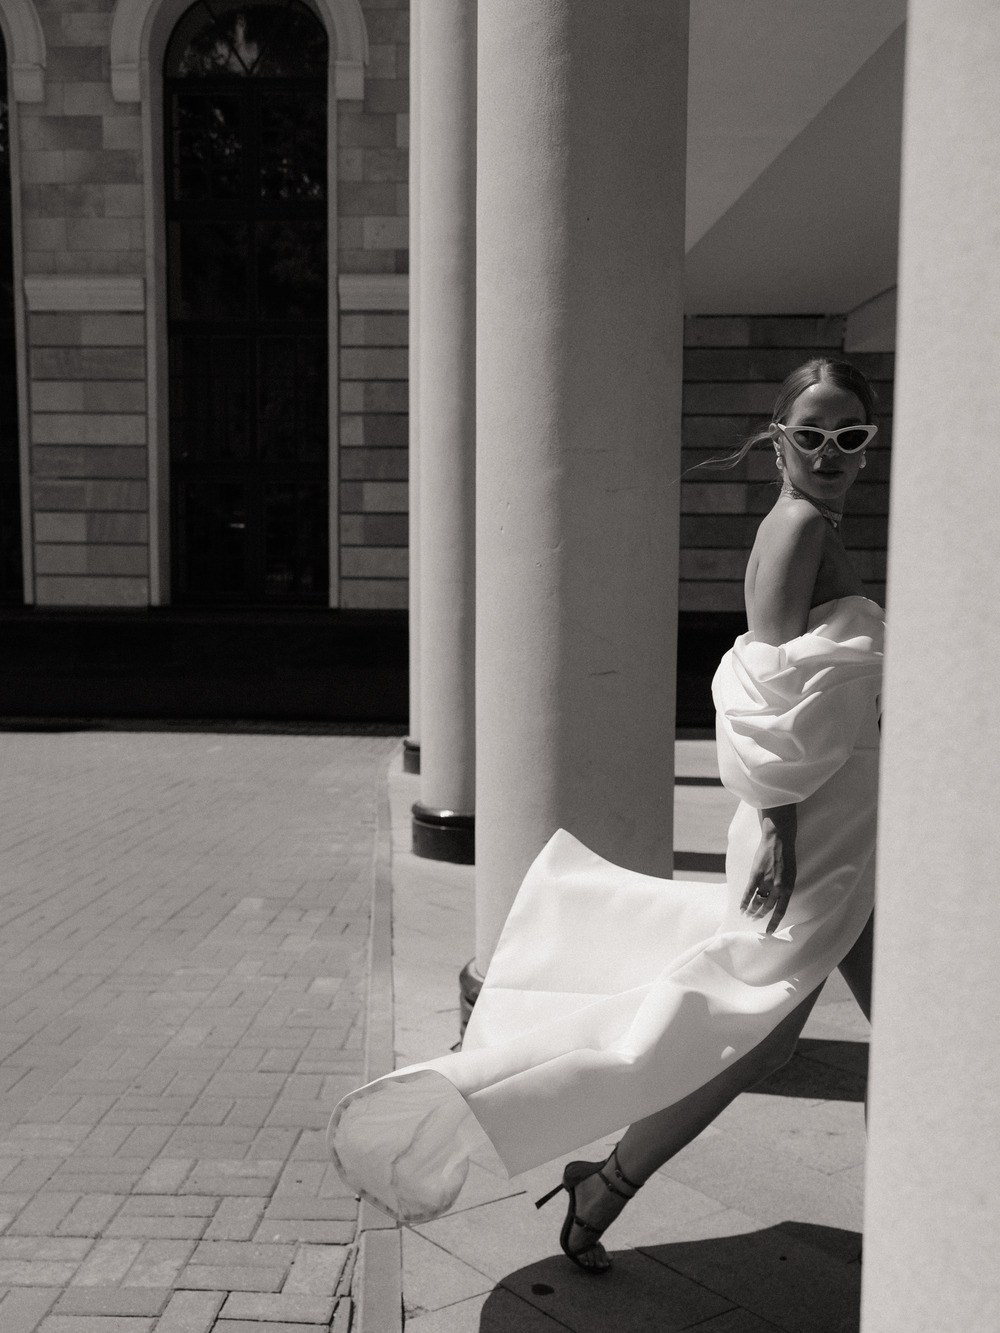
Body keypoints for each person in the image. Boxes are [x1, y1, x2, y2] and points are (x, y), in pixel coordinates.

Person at [328, 356, 884, 1278]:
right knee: (747, 1029)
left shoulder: (810, 525)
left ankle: (924, 1207)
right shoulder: (794, 528)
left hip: (849, 819)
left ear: (870, 446)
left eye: (851, 436)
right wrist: (781, 826)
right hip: (814, 828)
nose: (831, 454)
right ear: (776, 439)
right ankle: (604, 1176)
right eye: (812, 434)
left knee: (807, 1027)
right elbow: (762, 700)